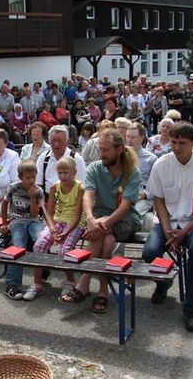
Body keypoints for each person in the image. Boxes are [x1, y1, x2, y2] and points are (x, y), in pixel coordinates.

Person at [143, 121, 193, 331]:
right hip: (167, 221)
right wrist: (169, 230)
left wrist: (183, 233)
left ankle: (192, 310)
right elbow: (158, 200)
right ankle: (163, 283)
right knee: (150, 252)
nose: (177, 147)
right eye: (174, 142)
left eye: (182, 143)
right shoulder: (162, 164)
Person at [59, 129, 141, 314]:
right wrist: (89, 218)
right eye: (100, 149)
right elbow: (87, 196)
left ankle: (84, 283)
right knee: (108, 240)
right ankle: (102, 292)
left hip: (125, 220)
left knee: (102, 232)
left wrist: (102, 223)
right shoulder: (96, 168)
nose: (101, 154)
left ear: (119, 149)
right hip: (100, 221)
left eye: (105, 150)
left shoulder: (132, 172)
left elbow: (125, 207)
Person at [31, 156, 85, 300]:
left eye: (66, 173)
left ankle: (70, 280)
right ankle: (37, 283)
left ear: (74, 172)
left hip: (75, 222)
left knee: (64, 250)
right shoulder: (55, 186)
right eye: (60, 173)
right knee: (39, 245)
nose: (62, 176)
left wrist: (65, 233)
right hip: (58, 220)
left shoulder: (80, 187)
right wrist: (53, 228)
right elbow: (49, 212)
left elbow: (78, 214)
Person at [0, 160, 45, 300]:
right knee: (18, 247)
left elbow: (34, 214)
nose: (31, 180)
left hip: (33, 220)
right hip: (17, 221)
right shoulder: (13, 188)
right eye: (28, 177)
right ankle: (12, 285)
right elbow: (4, 204)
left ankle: (39, 279)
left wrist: (32, 197)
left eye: (33, 177)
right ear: (20, 177)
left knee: (40, 242)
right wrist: (4, 223)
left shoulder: (38, 191)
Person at [35, 125, 86, 198]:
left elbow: (82, 186)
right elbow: (38, 184)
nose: (56, 144)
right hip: (47, 199)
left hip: (70, 200)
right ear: (49, 141)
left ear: (67, 141)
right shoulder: (43, 157)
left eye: (59, 140)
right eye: (53, 140)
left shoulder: (76, 159)